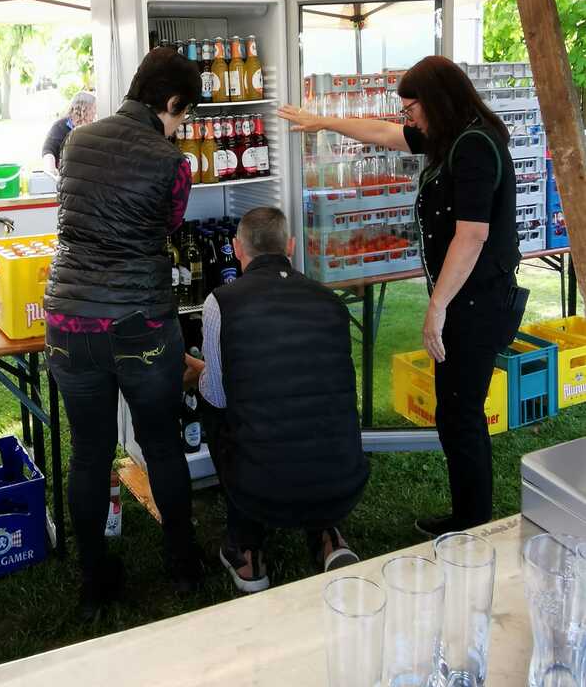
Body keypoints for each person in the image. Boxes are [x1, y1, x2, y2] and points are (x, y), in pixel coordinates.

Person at [278, 55, 524, 537]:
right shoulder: (454, 136)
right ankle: (469, 515)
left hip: (475, 302)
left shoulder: (474, 147)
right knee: (456, 410)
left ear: (437, 101)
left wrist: (437, 307)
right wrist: (322, 121)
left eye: (412, 108)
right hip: (466, 298)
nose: (408, 119)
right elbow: (383, 133)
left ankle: (473, 524)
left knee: (461, 414)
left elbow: (472, 235)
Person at [44, 48, 203, 617]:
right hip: (142, 325)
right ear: (172, 102)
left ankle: (94, 582)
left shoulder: (77, 141)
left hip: (69, 321)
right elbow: (168, 223)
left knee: (88, 452)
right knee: (161, 444)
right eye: (183, 114)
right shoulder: (172, 163)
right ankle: (183, 566)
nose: (180, 125)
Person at [184, 206, 369, 593]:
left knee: (216, 410)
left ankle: (246, 550)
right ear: (291, 246)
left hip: (261, 489)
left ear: (237, 249)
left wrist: (198, 372)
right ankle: (328, 536)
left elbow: (217, 394)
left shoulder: (222, 301)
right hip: (345, 478)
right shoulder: (329, 301)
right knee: (310, 401)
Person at [41, 90, 96, 177]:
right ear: (83, 109)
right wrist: (51, 171)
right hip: (65, 176)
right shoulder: (60, 126)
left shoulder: (93, 127)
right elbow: (48, 150)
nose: (95, 112)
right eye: (93, 108)